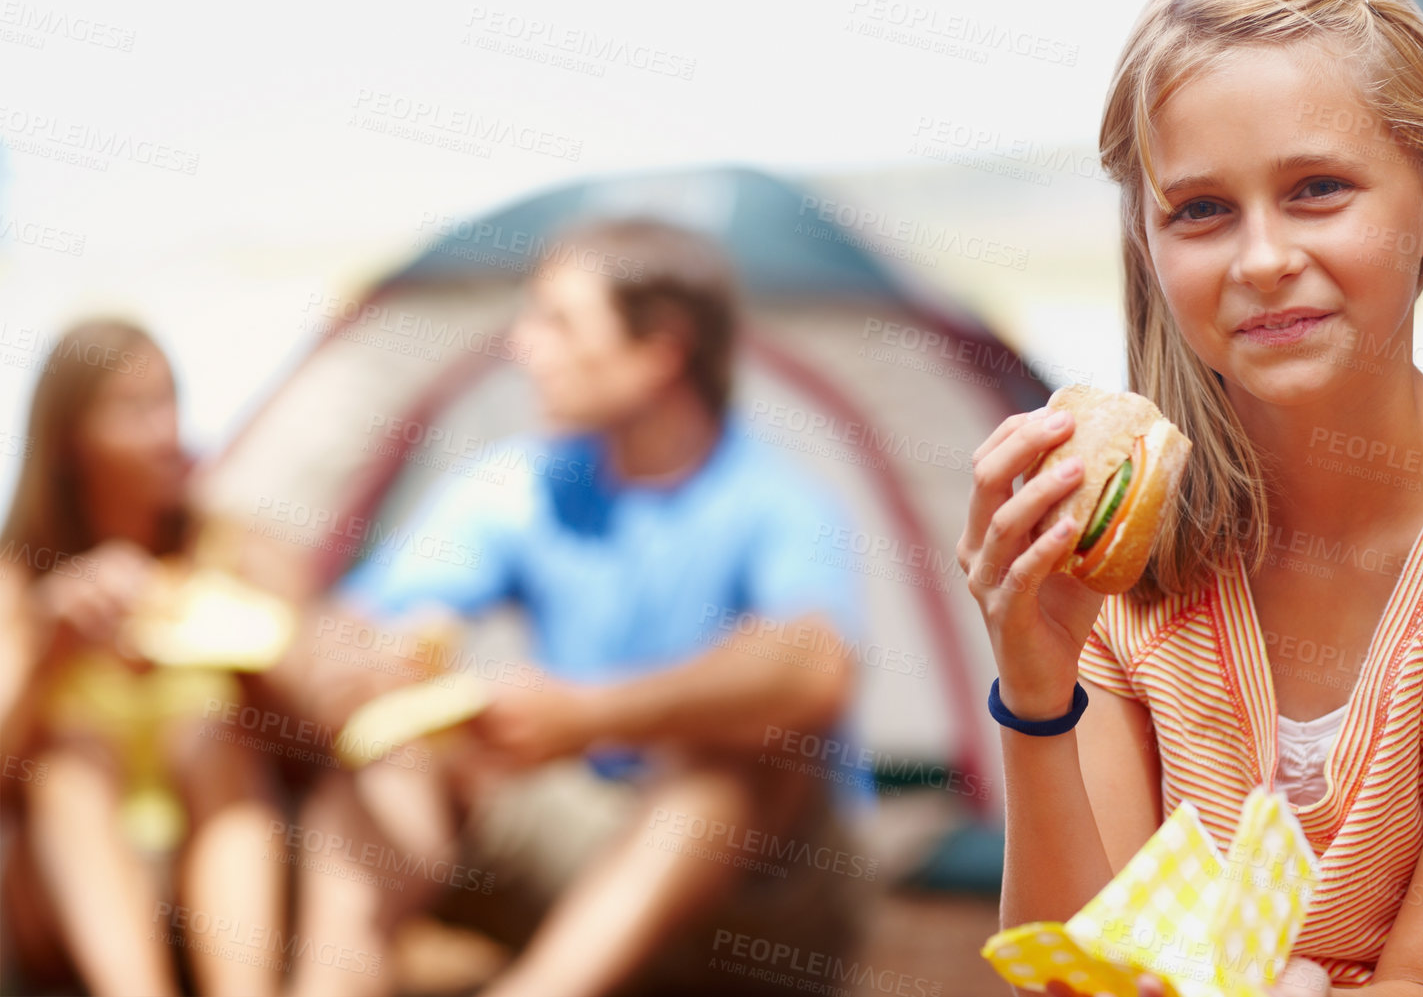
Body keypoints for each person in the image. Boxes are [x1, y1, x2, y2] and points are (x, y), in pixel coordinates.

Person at [957, 0, 1423, 996]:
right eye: (1200, 209)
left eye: (1316, 189)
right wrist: (1034, 679)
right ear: (1149, 240)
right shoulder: (1122, 549)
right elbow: (1071, 976)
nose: (1259, 259)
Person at [283, 217, 871, 997]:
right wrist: (367, 666)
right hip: (581, 861)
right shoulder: (524, 484)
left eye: (556, 321)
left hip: (760, 909)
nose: (522, 347)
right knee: (391, 744)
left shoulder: (779, 502)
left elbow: (815, 666)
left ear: (661, 348)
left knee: (737, 755)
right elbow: (359, 621)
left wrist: (592, 713)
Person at [0, 320, 288, 997]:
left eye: (170, 401)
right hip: (59, 892)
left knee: (217, 740)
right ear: (71, 439)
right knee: (65, 766)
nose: (168, 431)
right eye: (135, 410)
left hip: (213, 853)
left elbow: (311, 725)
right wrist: (50, 645)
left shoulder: (229, 552)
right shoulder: (21, 581)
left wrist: (251, 645)